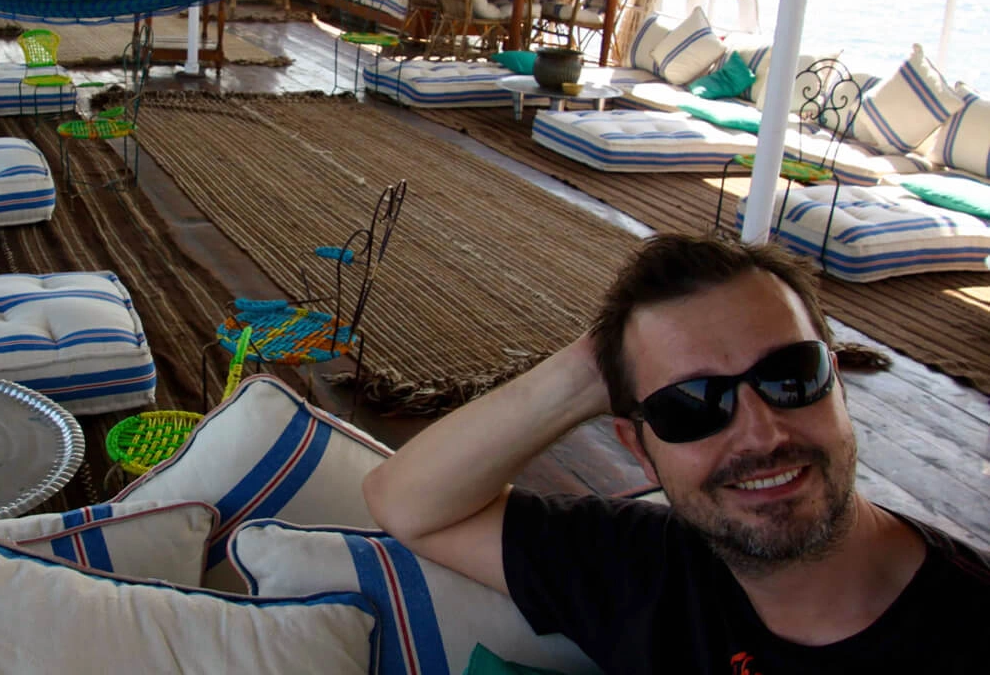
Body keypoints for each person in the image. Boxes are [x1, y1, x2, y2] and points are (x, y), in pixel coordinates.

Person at [363, 234, 989, 673]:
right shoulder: (645, 571)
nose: (763, 434)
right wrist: (592, 368)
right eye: (689, 406)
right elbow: (405, 500)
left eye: (790, 375)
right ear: (639, 446)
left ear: (838, 382)